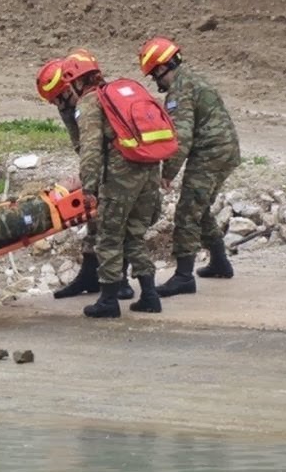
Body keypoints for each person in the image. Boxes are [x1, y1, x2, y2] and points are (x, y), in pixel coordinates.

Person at [62, 50, 173, 317]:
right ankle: (149, 295)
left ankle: (109, 301)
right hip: (149, 169)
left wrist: (88, 187)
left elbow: (90, 149)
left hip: (121, 176)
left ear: (76, 81)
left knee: (109, 236)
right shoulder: (115, 93)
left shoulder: (90, 102)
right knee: (134, 234)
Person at [138, 36, 242, 297]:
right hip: (225, 151)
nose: (156, 82)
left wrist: (168, 171)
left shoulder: (180, 90)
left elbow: (180, 136)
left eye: (154, 76)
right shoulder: (195, 78)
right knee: (200, 205)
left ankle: (184, 276)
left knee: (187, 211)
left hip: (210, 154)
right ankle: (219, 261)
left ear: (162, 68)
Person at [37, 53, 135, 301]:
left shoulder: (94, 102)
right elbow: (82, 147)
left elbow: (93, 147)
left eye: (60, 98)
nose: (60, 105)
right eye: (55, 102)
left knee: (114, 222)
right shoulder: (74, 105)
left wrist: (88, 182)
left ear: (71, 85)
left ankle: (120, 279)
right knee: (95, 216)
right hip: (106, 168)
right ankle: (91, 275)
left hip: (122, 168)